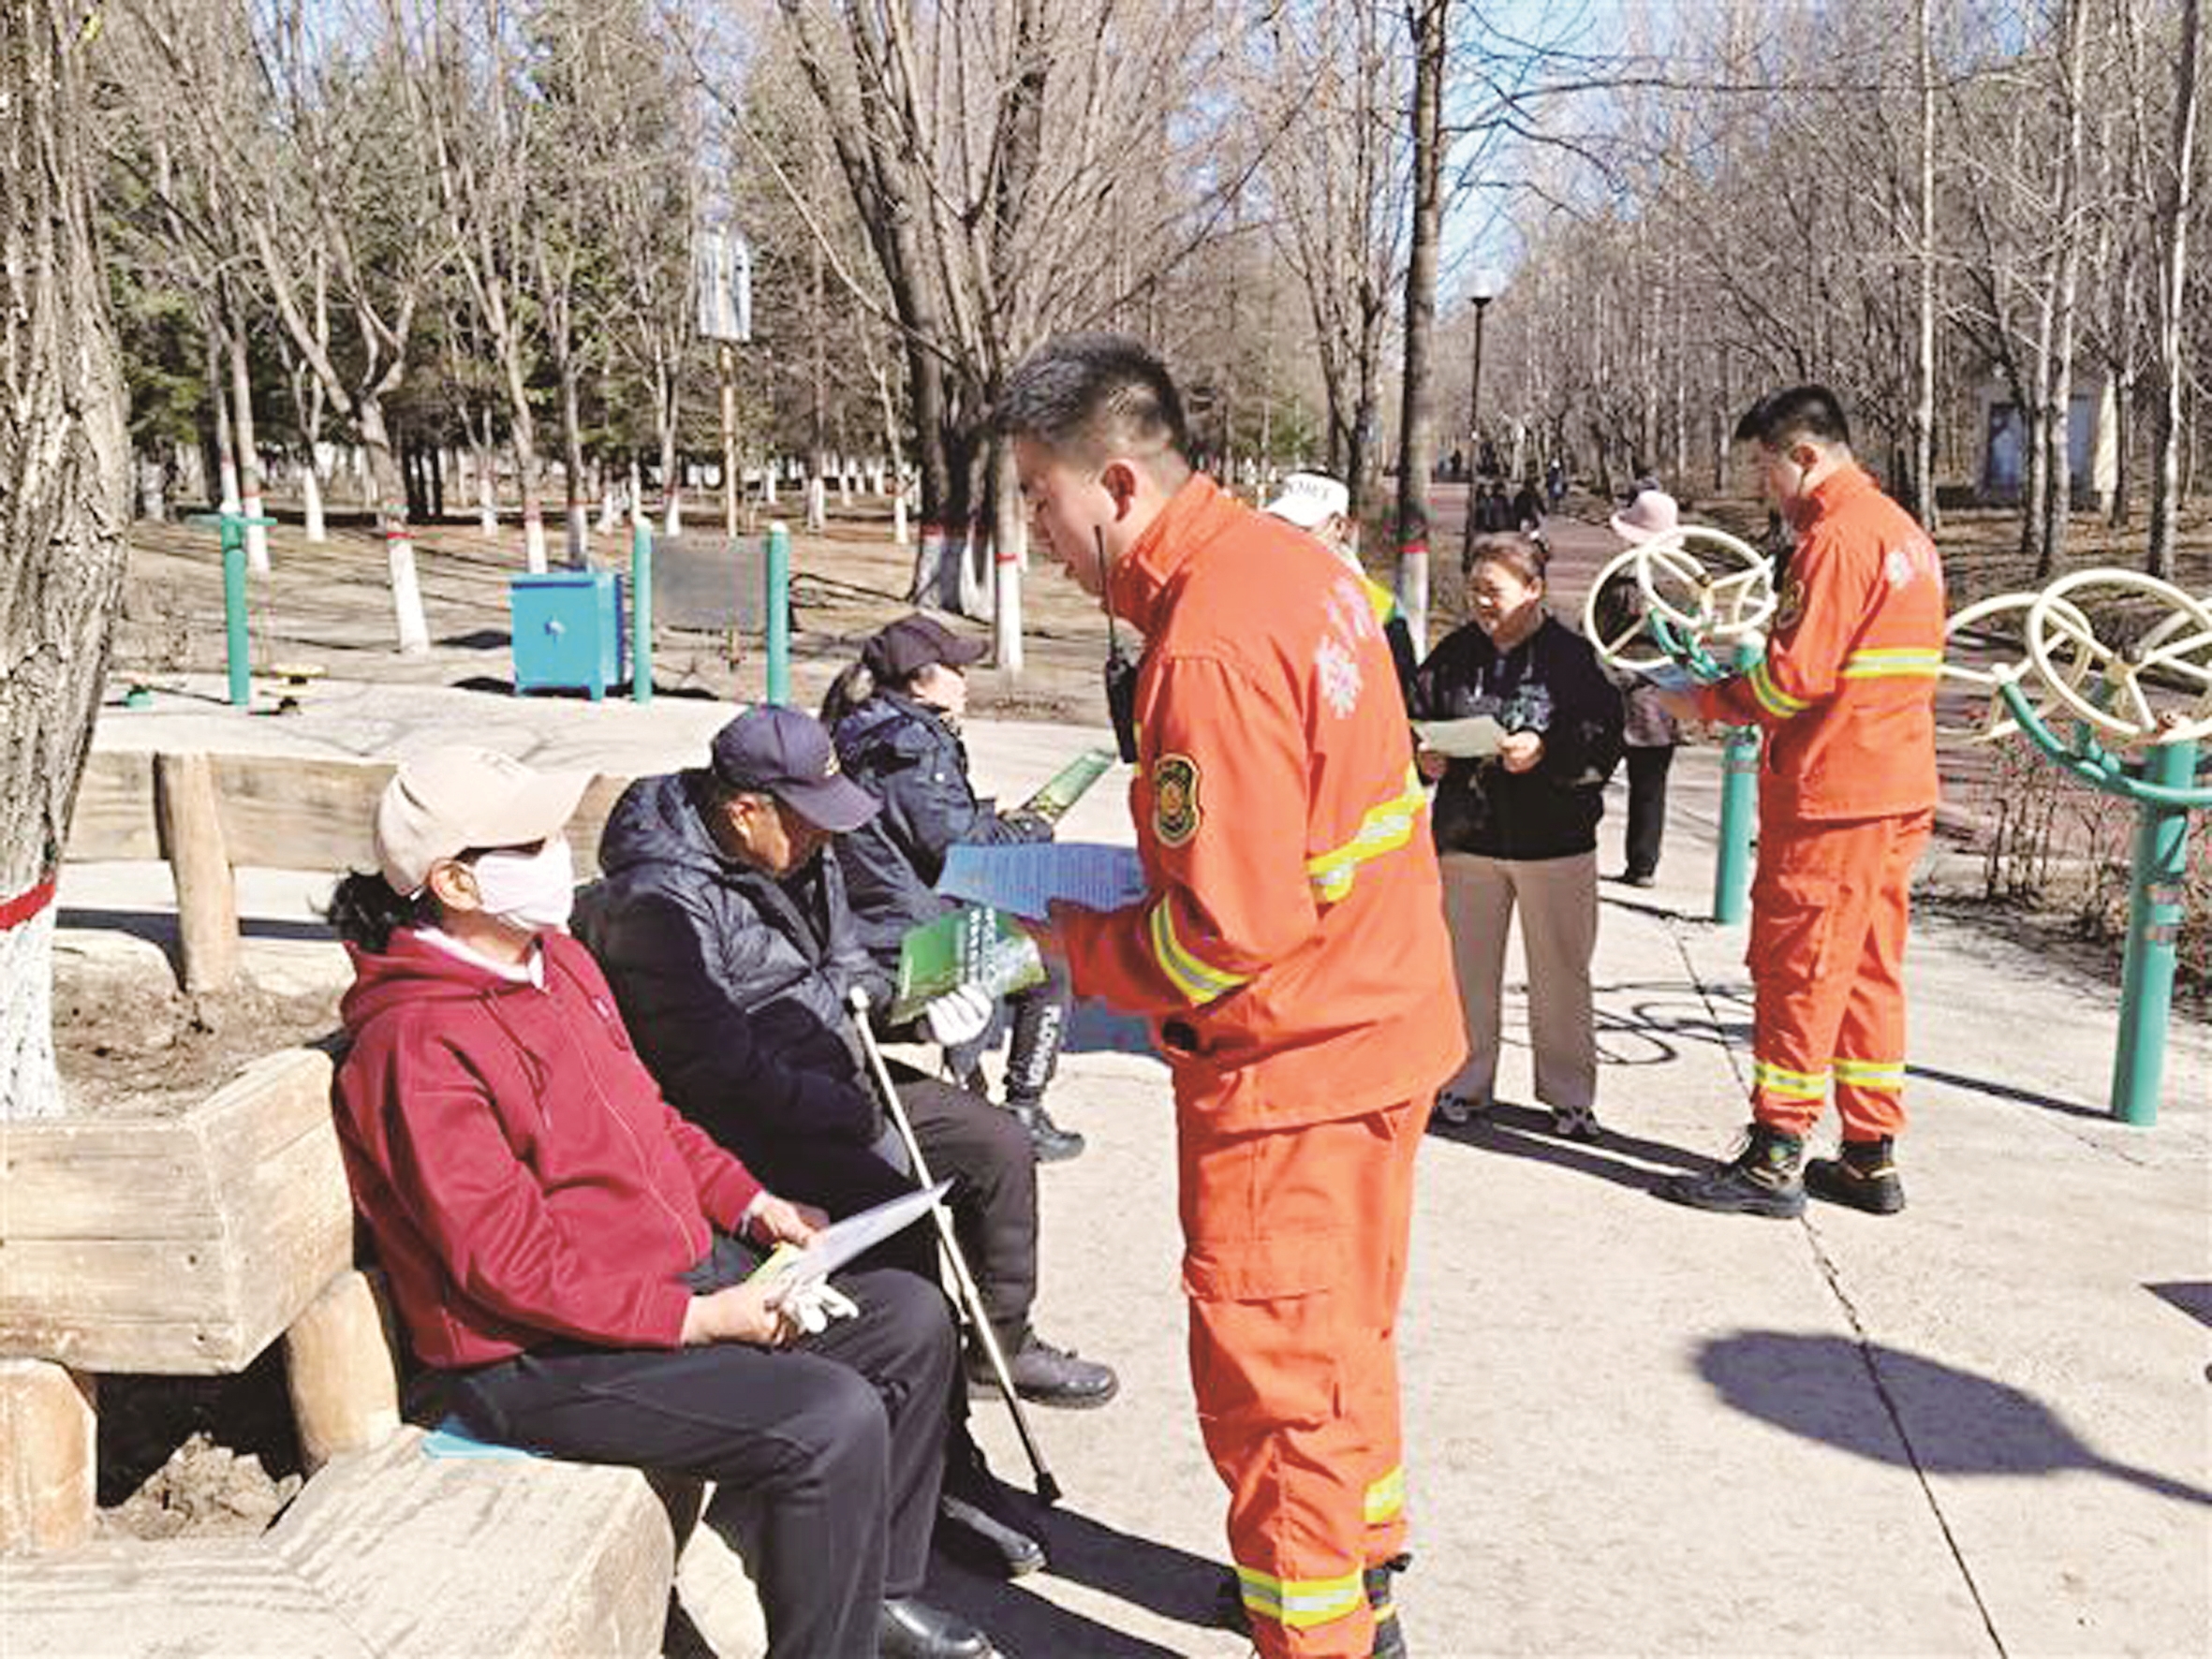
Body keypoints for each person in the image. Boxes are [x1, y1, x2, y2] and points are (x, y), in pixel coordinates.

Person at [1000, 332, 1465, 1659]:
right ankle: (1360, 1569)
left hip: (1288, 1074)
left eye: (1039, 496)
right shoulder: (1294, 566)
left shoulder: (1202, 647)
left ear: (1119, 482)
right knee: (1344, 1338)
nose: (1036, 535)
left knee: (1273, 1386)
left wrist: (1073, 944)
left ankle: (1314, 1624)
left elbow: (1226, 937)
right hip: (1377, 1027)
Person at [327, 745, 990, 1659]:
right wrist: (703, 1318)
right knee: (827, 1419)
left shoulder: (556, 961)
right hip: (535, 1356)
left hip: (659, 1284)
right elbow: (505, 1267)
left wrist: (754, 1204)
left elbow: (653, 1118)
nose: (559, 854)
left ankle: (873, 1599)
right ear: (454, 882)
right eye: (530, 842)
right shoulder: (415, 1044)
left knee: (910, 1319)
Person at [571, 705, 1118, 1414]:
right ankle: (928, 1410)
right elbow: (717, 1074)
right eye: (807, 819)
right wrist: (854, 1114)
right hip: (753, 1120)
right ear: (744, 811)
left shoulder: (799, 848)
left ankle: (1001, 1345)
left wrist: (916, 1008)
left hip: (837, 1069)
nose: (824, 834)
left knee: (998, 1143)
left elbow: (848, 969)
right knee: (897, 1205)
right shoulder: (660, 901)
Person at [1657, 386, 1944, 1218]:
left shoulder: (1835, 541)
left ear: (1807, 456)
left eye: (1765, 466)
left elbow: (1792, 681)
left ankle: (1775, 1154)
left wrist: (1703, 702)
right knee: (1867, 972)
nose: (1762, 485)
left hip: (1833, 797)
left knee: (1802, 970)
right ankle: (1869, 1154)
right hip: (1893, 788)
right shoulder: (1905, 535)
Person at [821, 612, 1085, 1163]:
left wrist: (991, 817)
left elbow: (918, 826)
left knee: (1029, 942)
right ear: (919, 682)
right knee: (1053, 964)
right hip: (905, 947)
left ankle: (995, 1096)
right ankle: (1024, 1110)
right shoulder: (912, 747)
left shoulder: (863, 730)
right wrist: (1030, 830)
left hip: (870, 928)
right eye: (955, 669)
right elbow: (961, 852)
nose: (966, 680)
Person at [1410, 533, 1624, 1139]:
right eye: (1474, 589)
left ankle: (1569, 1096)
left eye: (1494, 591)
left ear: (1534, 590)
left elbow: (1604, 741)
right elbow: (1413, 717)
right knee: (1464, 974)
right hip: (1467, 841)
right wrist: (1422, 758)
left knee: (1561, 975)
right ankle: (1461, 1083)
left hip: (1553, 843)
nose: (1482, 602)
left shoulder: (1574, 660)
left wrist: (1547, 752)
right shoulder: (1454, 654)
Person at [1262, 471, 1417, 697]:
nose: (1288, 538)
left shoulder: (1380, 610)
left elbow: (1400, 698)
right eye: (1280, 525)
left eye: (1303, 528)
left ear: (1339, 527)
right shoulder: (1255, 594)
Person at [1603, 488, 1686, 888]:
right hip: (1663, 699)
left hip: (1613, 695)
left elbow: (1597, 632)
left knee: (1586, 780)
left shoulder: (1618, 586)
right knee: (1650, 790)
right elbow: (1689, 645)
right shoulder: (1682, 587)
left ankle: (1571, 848)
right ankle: (1643, 866)